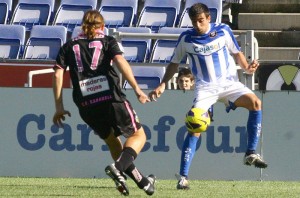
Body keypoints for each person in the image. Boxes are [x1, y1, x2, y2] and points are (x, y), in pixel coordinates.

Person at [148, 3, 268, 190]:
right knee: (195, 128)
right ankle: (183, 177)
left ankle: (250, 153)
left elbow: (237, 53)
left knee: (256, 103)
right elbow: (174, 63)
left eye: (201, 20)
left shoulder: (223, 31)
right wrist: (163, 84)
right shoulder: (186, 38)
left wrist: (246, 68)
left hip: (229, 84)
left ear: (209, 18)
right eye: (194, 21)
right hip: (205, 89)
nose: (197, 24)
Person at [52, 10, 155, 196]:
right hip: (111, 98)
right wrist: (137, 89)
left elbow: (58, 73)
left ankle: (142, 181)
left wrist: (59, 106)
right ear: (102, 26)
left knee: (113, 143)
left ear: (82, 26)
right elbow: (120, 61)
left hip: (85, 103)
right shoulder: (107, 41)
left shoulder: (68, 46)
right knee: (139, 135)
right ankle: (118, 167)